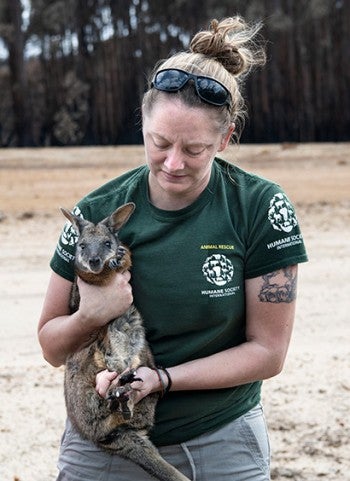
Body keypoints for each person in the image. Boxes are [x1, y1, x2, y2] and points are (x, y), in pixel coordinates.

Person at [38, 16, 308, 481]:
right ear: (141, 122)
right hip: (105, 444)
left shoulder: (260, 207)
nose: (173, 163)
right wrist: (91, 314)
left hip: (221, 439)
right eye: (159, 142)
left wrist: (161, 379)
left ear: (225, 140)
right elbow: (50, 345)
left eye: (196, 149)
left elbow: (268, 352)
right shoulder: (98, 212)